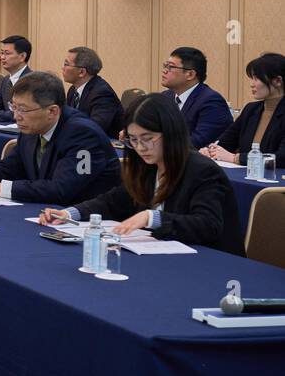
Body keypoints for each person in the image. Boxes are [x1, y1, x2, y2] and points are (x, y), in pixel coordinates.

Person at [42, 93, 242, 255]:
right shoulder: (147, 166)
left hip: (210, 261)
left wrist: (152, 217)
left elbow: (208, 225)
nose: (140, 148)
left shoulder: (202, 170)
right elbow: (112, 201)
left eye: (147, 138)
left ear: (171, 132)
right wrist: (69, 213)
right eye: (133, 140)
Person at [0, 70, 120, 205]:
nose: (16, 116)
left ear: (52, 111)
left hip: (87, 224)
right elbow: (9, 168)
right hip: (46, 213)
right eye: (14, 107)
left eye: (23, 109)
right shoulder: (33, 128)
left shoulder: (84, 136)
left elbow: (61, 189)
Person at [204, 52, 285, 168]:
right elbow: (226, 142)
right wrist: (210, 150)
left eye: (257, 79)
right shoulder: (251, 109)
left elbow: (281, 158)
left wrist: (235, 158)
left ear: (277, 81)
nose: (252, 84)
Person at [159, 46, 233, 149]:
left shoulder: (211, 102)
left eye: (170, 67)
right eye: (165, 66)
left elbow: (198, 141)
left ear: (190, 74)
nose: (164, 71)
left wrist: (159, 148)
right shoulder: (165, 97)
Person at [61, 46, 124, 137]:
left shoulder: (102, 93)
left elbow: (95, 128)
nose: (62, 68)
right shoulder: (73, 90)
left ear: (82, 72)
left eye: (66, 64)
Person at [0, 35, 32, 123]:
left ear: (22, 56)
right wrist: (6, 114)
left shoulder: (32, 81)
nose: (2, 57)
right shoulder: (5, 80)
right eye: (2, 53)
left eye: (7, 53)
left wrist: (1, 114)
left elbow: (21, 113)